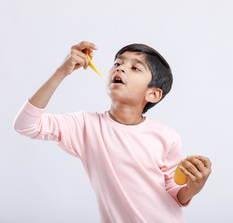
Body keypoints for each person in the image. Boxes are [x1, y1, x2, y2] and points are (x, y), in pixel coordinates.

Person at [13, 41, 212, 222]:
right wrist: (61, 72)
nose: (121, 68)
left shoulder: (167, 136)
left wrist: (191, 189)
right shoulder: (85, 126)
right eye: (118, 63)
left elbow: (172, 191)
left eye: (135, 67)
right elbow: (26, 125)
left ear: (153, 94)